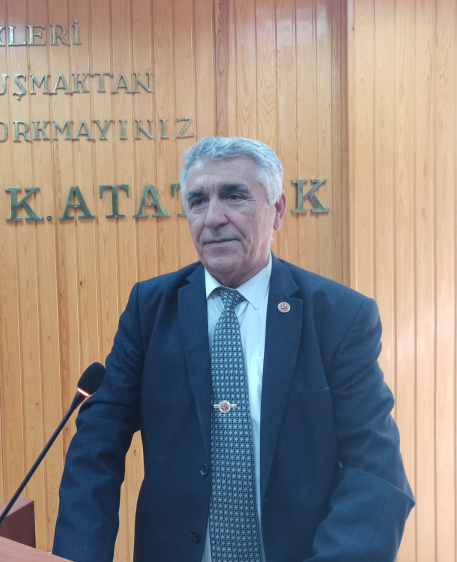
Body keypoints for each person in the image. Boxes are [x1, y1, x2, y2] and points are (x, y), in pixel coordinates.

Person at [52, 137, 414, 562]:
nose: (213, 218)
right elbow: (96, 446)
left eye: (234, 196)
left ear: (277, 209)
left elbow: (375, 469)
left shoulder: (339, 316)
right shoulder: (149, 310)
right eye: (197, 201)